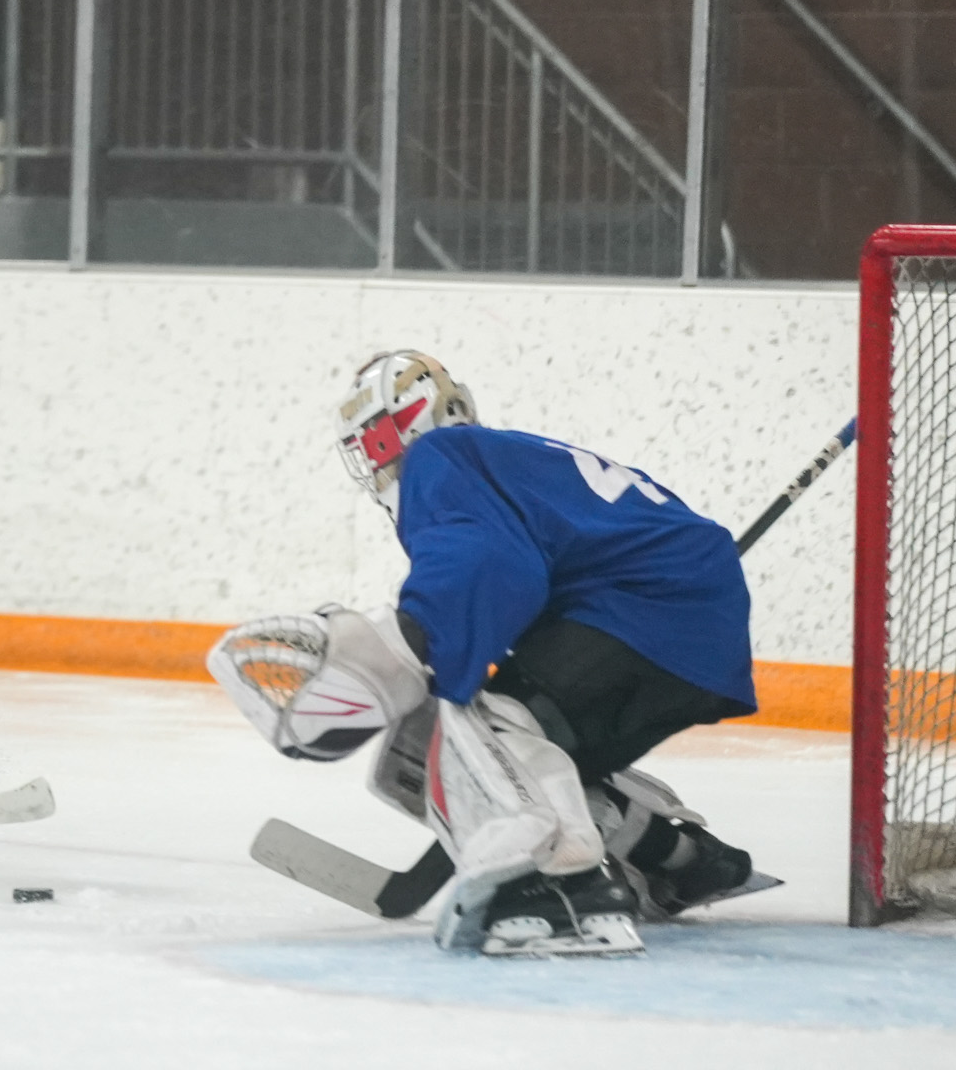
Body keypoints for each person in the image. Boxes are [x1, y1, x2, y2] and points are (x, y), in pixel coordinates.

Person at [209, 351, 761, 956]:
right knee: (518, 748)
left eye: (378, 439)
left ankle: (560, 890)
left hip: (643, 608)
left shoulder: (440, 455)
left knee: (494, 728)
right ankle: (680, 860)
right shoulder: (505, 458)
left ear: (419, 419)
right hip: (684, 615)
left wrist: (408, 640)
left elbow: (490, 563)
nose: (375, 459)